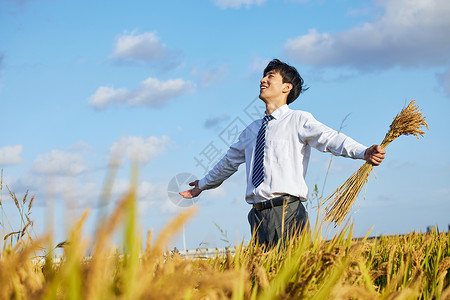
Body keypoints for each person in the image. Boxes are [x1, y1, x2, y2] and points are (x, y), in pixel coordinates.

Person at [180, 59, 385, 246]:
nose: (263, 80)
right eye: (264, 75)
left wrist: (363, 151)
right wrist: (202, 185)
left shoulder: (298, 119)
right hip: (257, 216)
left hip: (288, 213)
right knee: (264, 281)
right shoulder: (251, 130)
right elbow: (227, 163)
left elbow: (331, 138)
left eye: (270, 76)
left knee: (295, 279)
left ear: (287, 87)